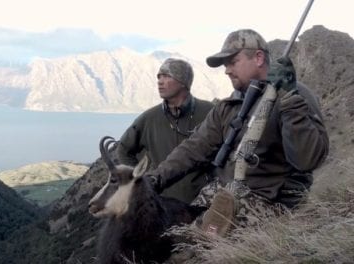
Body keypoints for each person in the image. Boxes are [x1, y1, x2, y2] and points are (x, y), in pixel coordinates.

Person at [146, 29, 329, 229]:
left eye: (233, 62)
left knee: (193, 246)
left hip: (271, 200)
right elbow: (194, 147)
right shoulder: (229, 106)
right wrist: (157, 178)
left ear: (258, 58)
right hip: (225, 191)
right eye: (226, 65)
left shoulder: (295, 95)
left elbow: (308, 160)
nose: (227, 70)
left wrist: (290, 100)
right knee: (168, 228)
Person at [116, 58, 214, 203]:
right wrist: (140, 179)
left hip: (203, 205)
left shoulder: (210, 112)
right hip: (164, 208)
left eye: (167, 76)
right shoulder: (149, 118)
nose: (160, 81)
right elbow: (123, 149)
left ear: (183, 82)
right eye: (159, 76)